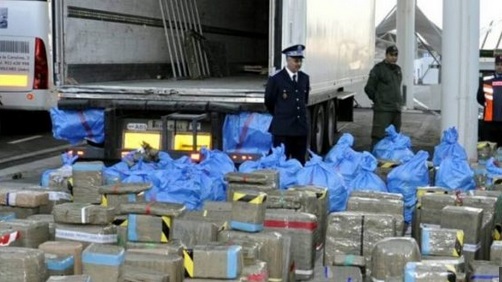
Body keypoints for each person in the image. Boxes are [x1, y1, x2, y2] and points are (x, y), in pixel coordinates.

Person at [264, 44, 310, 165]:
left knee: (299, 163)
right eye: (296, 61)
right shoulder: (276, 79)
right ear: (288, 60)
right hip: (283, 130)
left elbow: (304, 100)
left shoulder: (304, 78)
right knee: (280, 163)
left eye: (300, 61)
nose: (298, 64)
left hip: (300, 130)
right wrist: (281, 114)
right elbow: (269, 101)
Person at [364, 45, 403, 149]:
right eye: (391, 55)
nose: (394, 57)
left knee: (394, 137)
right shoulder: (378, 69)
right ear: (386, 55)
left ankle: (391, 161)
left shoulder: (398, 70)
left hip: (396, 110)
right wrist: (378, 100)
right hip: (383, 111)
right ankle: (375, 160)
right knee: (379, 137)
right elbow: (368, 88)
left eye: (396, 55)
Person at [477, 54, 502, 146]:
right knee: (489, 146)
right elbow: (479, 97)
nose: (500, 67)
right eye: (498, 64)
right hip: (490, 120)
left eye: (501, 64)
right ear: (495, 66)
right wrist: (488, 105)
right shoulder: (487, 80)